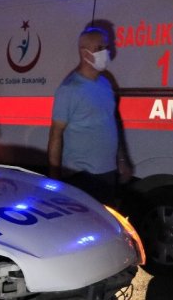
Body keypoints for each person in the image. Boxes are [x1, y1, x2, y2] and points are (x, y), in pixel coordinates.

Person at [47, 25, 132, 204]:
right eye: (99, 48)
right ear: (85, 54)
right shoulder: (70, 89)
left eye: (106, 47)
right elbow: (56, 134)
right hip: (81, 176)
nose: (106, 52)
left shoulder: (106, 83)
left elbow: (112, 123)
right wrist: (54, 178)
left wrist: (121, 159)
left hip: (107, 172)